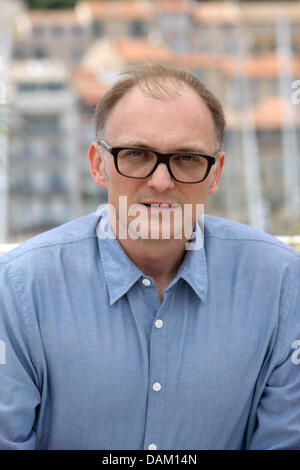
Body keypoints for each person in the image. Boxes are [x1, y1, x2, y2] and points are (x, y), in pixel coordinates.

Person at [0, 62, 300, 450]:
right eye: (137, 154)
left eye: (187, 159)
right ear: (98, 164)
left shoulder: (281, 284)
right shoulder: (19, 289)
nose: (161, 181)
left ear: (216, 174)